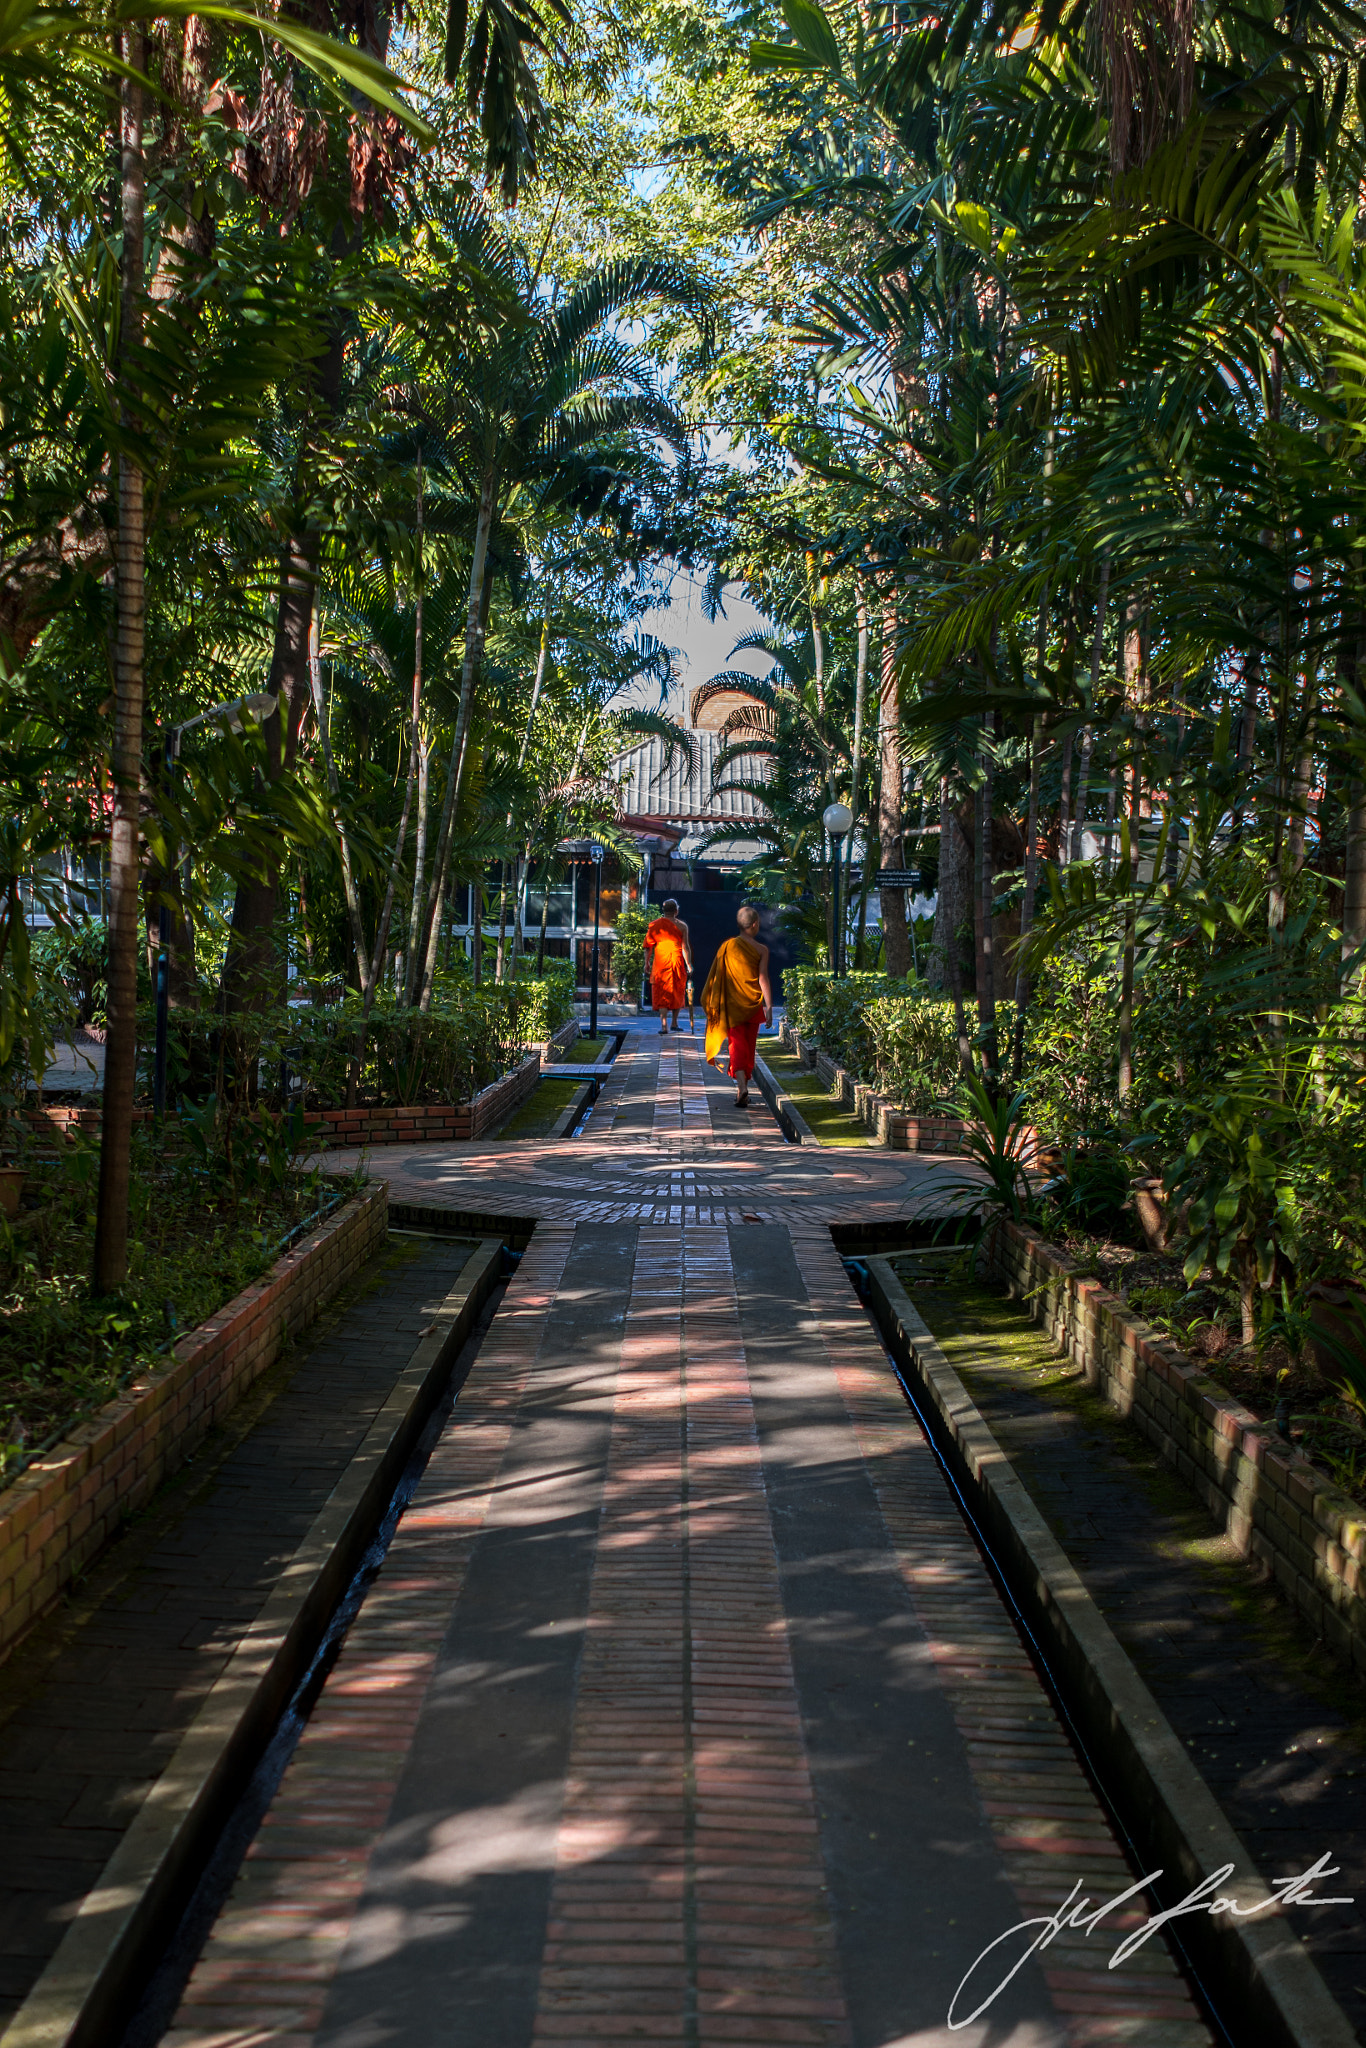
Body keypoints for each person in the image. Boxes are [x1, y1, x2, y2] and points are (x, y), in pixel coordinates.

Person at [702, 903, 773, 1107]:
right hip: (752, 1005)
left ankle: (741, 1087)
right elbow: (763, 978)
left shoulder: (727, 947)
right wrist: (769, 1007)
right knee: (748, 1048)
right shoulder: (762, 949)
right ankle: (743, 1087)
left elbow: (716, 978)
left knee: (737, 1046)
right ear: (755, 924)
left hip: (732, 1006)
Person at [645, 899, 692, 1034]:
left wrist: (646, 963)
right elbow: (686, 947)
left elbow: (648, 947)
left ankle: (664, 1025)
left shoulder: (655, 925)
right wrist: (688, 964)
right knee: (677, 992)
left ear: (663, 911)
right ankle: (674, 1023)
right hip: (676, 961)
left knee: (662, 993)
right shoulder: (682, 926)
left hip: (660, 962)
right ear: (676, 911)